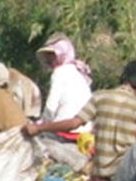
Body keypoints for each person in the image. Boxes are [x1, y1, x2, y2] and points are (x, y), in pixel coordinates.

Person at [35, 34, 93, 169]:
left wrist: (41, 126)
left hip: (66, 128)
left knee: (40, 144)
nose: (51, 60)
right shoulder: (77, 72)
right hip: (85, 128)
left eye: (53, 56)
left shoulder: (60, 73)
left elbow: (51, 106)